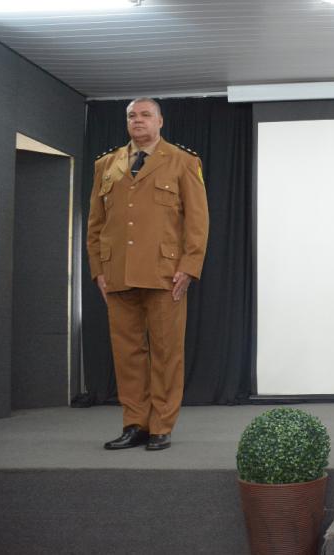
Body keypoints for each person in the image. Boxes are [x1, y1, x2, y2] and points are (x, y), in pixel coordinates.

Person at [86, 97, 209, 451]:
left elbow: (198, 222)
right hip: (117, 274)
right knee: (127, 354)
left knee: (167, 353)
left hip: (165, 273)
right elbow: (95, 223)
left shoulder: (183, 162)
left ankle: (161, 425)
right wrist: (98, 270)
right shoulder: (106, 164)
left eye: (145, 115)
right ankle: (134, 423)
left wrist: (188, 267)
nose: (138, 120)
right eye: (131, 116)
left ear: (160, 122)